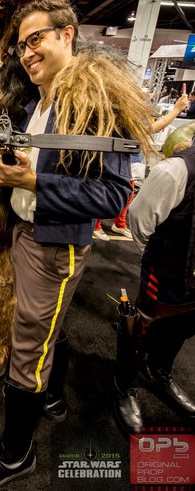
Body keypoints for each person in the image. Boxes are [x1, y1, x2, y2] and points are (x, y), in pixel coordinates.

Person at [0, 0, 154, 489]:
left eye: (37, 38)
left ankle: (15, 453)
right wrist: (8, 176)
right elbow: (33, 167)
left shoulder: (93, 101)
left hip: (55, 247)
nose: (27, 52)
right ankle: (51, 396)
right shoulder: (35, 104)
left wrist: (32, 185)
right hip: (29, 233)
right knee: (50, 321)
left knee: (28, 345)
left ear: (68, 34)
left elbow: (112, 195)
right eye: (22, 45)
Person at [115, 140, 195, 433]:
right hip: (167, 272)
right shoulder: (176, 171)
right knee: (144, 326)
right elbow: (139, 218)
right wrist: (156, 254)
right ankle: (124, 385)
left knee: (183, 328)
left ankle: (159, 372)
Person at [93, 92, 189, 241]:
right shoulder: (115, 117)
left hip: (128, 164)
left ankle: (119, 224)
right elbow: (151, 129)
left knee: (127, 194)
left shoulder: (127, 116)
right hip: (114, 165)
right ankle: (96, 225)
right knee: (107, 193)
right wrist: (176, 110)